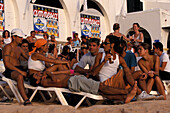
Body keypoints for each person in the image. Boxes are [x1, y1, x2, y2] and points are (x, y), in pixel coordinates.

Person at [29, 62, 138, 103]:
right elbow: (55, 81)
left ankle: (123, 98)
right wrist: (48, 73)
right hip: (74, 82)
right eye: (37, 75)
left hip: (74, 81)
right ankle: (126, 91)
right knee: (101, 86)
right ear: (37, 81)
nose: (39, 74)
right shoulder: (44, 82)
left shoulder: (44, 80)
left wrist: (73, 72)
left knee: (100, 91)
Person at [91, 35, 156, 101]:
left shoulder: (118, 58)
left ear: (112, 45)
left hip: (116, 83)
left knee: (138, 73)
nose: (103, 45)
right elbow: (94, 73)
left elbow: (129, 73)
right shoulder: (100, 55)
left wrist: (141, 75)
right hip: (105, 84)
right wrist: (103, 62)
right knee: (122, 71)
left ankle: (143, 94)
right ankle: (139, 93)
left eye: (105, 43)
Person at [2, 28, 31, 105]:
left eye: (22, 37)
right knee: (20, 76)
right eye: (20, 37)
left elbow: (29, 58)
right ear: (14, 37)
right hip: (10, 70)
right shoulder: (8, 47)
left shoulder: (19, 48)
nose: (22, 39)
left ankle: (37, 95)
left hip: (19, 68)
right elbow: (7, 64)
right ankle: (26, 99)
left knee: (35, 74)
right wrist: (21, 72)